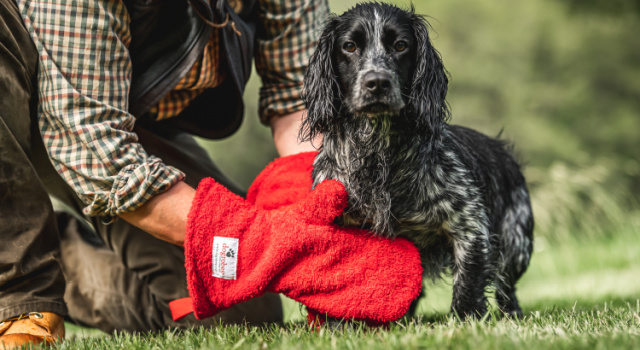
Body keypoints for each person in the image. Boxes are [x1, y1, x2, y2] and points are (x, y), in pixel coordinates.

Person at [0, 0, 330, 346]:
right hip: (45, 105)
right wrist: (256, 239)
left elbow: (298, 102)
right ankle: (16, 293)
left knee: (238, 303)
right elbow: (101, 152)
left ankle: (58, 255)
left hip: (120, 114)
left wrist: (322, 217)